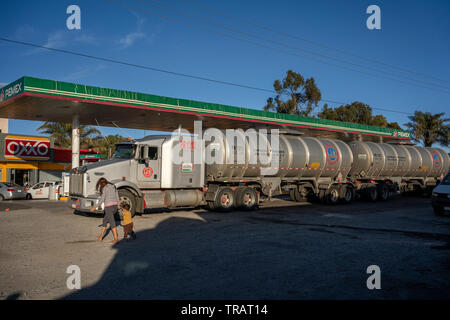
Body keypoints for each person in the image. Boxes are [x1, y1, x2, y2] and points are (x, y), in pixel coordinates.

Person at [90, 178, 120, 244]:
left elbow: (102, 199)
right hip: (115, 206)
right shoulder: (113, 186)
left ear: (100, 184)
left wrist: (94, 207)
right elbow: (117, 196)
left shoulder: (104, 188)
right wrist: (118, 204)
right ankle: (101, 236)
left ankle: (116, 239)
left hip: (108, 207)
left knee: (112, 222)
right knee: (105, 220)